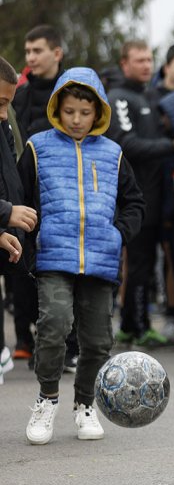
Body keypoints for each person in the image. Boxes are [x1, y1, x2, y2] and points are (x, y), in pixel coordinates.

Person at [19, 67, 144, 444]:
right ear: (58, 107)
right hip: (53, 257)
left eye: (84, 113)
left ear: (98, 112)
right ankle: (47, 399)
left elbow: (134, 203)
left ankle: (85, 404)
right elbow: (23, 200)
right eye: (69, 111)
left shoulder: (114, 153)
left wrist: (119, 234)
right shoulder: (37, 147)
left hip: (100, 260)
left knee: (98, 341)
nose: (76, 119)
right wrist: (29, 243)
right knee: (54, 324)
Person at [106, 41, 174, 347]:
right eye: (139, 60)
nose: (146, 65)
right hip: (133, 199)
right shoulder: (119, 97)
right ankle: (139, 327)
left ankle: (133, 324)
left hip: (158, 199)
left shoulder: (151, 97)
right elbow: (125, 143)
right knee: (139, 265)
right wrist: (172, 146)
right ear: (124, 63)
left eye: (149, 59)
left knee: (148, 264)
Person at [10, 25, 65, 366]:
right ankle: (22, 337)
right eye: (27, 52)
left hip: (59, 191)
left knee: (52, 267)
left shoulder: (70, 92)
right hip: (24, 191)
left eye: (37, 51)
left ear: (56, 53)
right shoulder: (20, 94)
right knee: (20, 265)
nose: (30, 58)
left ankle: (58, 340)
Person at [0, 55, 38, 384]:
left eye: (8, 104)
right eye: (0, 103)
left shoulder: (3, 126)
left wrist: (3, 230)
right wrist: (5, 213)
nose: (4, 113)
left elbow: (9, 178)